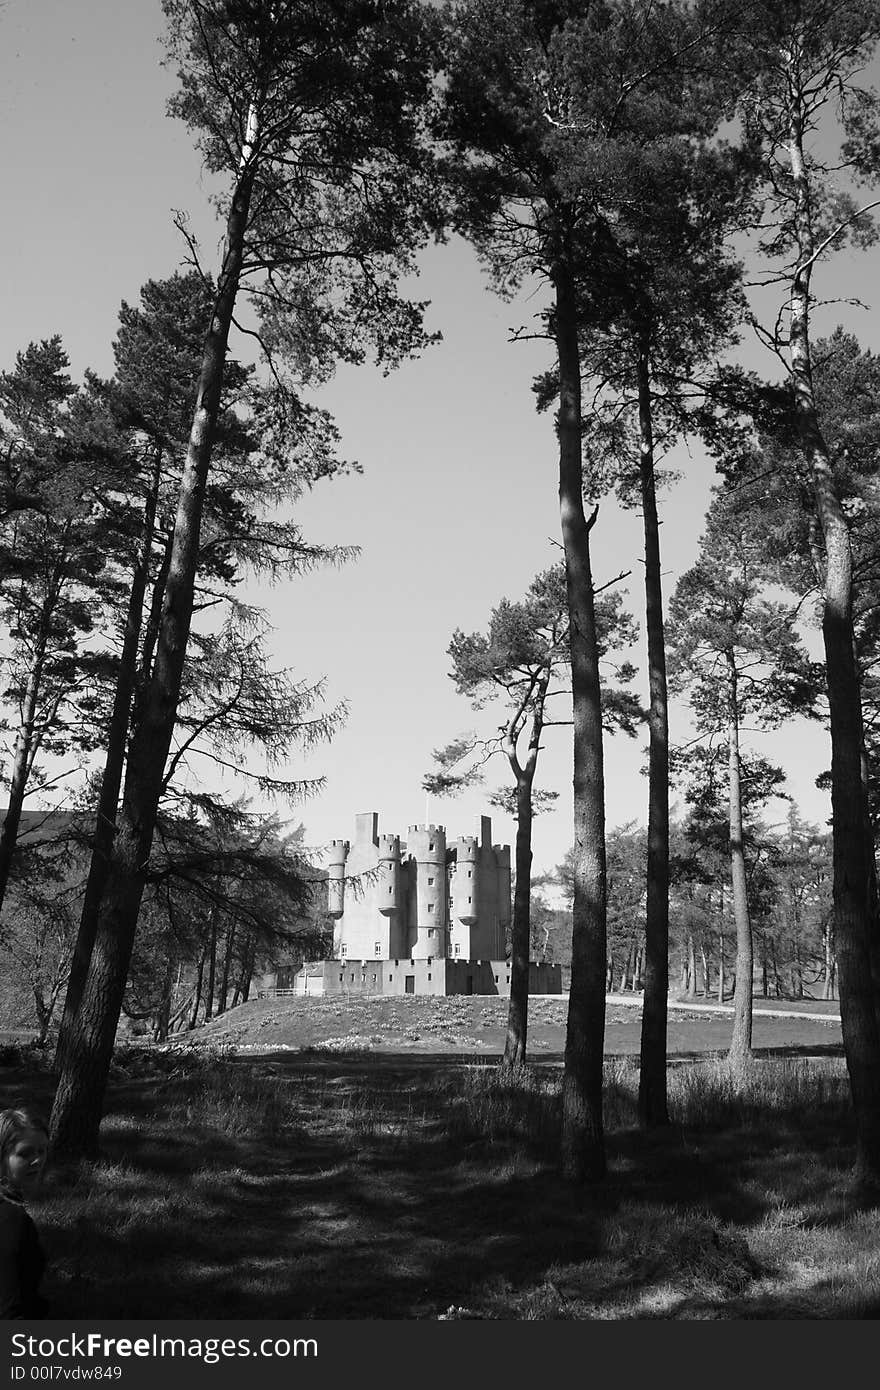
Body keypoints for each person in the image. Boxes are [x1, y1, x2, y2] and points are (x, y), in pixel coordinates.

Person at [0, 1106, 49, 1318]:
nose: (38, 1160)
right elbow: (10, 1307)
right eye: (25, 1153)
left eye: (42, 1151)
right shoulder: (11, 1219)